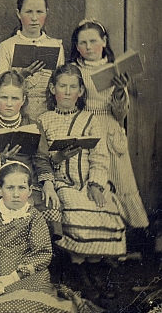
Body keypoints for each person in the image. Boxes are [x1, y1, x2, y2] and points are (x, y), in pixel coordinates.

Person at [0, 162, 99, 313]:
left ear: (29, 191)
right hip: (0, 281)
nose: (16, 194)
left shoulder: (34, 216)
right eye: (10, 188)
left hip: (31, 279)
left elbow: (42, 253)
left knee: (25, 305)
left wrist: (18, 274)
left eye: (21, 188)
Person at [38, 64, 126, 301]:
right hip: (61, 183)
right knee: (72, 210)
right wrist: (59, 157)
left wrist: (96, 184)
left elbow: (99, 157)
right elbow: (42, 160)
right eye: (62, 86)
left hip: (88, 181)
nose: (67, 92)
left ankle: (97, 271)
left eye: (72, 87)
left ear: (80, 92)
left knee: (104, 207)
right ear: (52, 88)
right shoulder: (44, 121)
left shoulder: (90, 119)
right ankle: (80, 273)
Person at [69, 19, 148, 230]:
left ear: (104, 42)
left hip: (110, 130)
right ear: (77, 47)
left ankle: (123, 237)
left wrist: (120, 90)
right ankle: (97, 237)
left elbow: (121, 114)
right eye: (83, 43)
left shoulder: (114, 70)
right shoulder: (73, 70)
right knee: (92, 180)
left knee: (119, 180)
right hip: (85, 129)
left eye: (93, 41)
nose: (88, 47)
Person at [0, 70, 62, 240]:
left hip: (29, 181)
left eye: (15, 98)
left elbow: (41, 158)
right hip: (0, 182)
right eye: (4, 97)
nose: (9, 103)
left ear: (23, 100)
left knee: (49, 205)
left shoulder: (33, 126)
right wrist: (0, 158)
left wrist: (48, 184)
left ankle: (42, 250)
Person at [0, 0, 65, 120]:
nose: (34, 18)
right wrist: (21, 76)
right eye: (28, 12)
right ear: (18, 14)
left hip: (49, 113)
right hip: (17, 113)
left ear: (46, 13)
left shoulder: (56, 45)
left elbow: (61, 82)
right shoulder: (7, 46)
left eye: (39, 12)